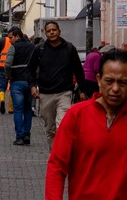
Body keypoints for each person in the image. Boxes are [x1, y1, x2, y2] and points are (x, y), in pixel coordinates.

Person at [45, 49, 127, 200]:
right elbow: (57, 166)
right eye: (109, 81)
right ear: (98, 79)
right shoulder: (76, 115)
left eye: (123, 82)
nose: (115, 89)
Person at [29, 21, 85, 149]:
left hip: (64, 93)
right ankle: (54, 154)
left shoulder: (69, 48)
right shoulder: (40, 49)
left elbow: (78, 70)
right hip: (45, 94)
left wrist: (82, 89)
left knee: (63, 126)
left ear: (59, 31)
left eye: (54, 30)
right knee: (50, 129)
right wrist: (32, 86)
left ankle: (62, 156)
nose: (52, 32)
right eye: (49, 31)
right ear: (45, 33)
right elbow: (30, 69)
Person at [4, 28, 35, 146]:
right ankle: (27, 134)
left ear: (17, 36)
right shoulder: (32, 47)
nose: (10, 40)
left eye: (11, 37)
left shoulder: (13, 48)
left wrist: (8, 75)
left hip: (17, 82)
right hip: (30, 82)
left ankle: (20, 136)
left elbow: (7, 64)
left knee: (18, 110)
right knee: (28, 109)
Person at [0, 30, 15, 114]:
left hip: (2, 67)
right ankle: (11, 109)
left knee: (2, 87)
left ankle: (2, 100)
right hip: (13, 68)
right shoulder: (16, 41)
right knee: (12, 88)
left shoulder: (3, 40)